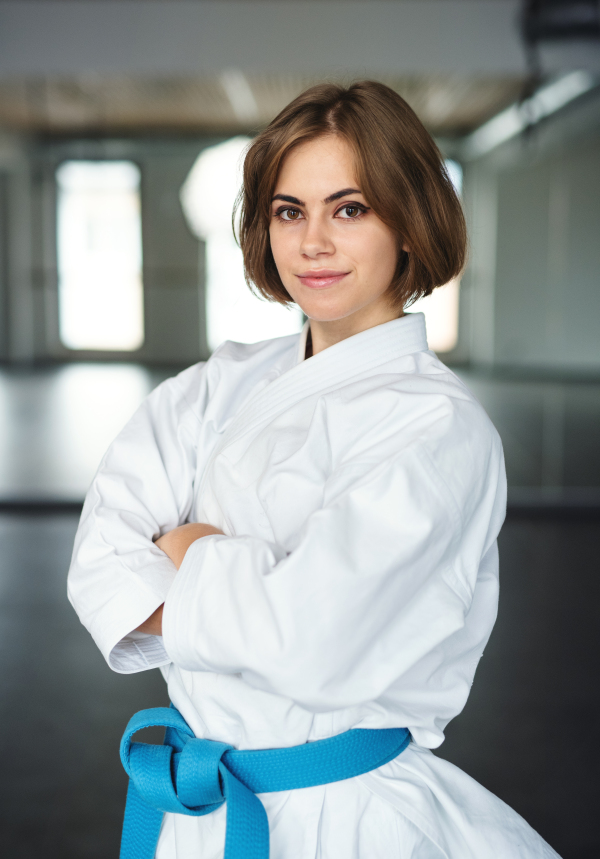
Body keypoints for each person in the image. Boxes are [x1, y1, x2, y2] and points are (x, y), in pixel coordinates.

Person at [68, 81, 560, 858]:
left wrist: (188, 554)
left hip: (348, 816)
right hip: (197, 813)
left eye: (350, 207)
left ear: (411, 219)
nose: (313, 242)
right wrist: (252, 585)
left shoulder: (438, 426)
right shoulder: (216, 383)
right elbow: (99, 562)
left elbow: (313, 638)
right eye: (289, 210)